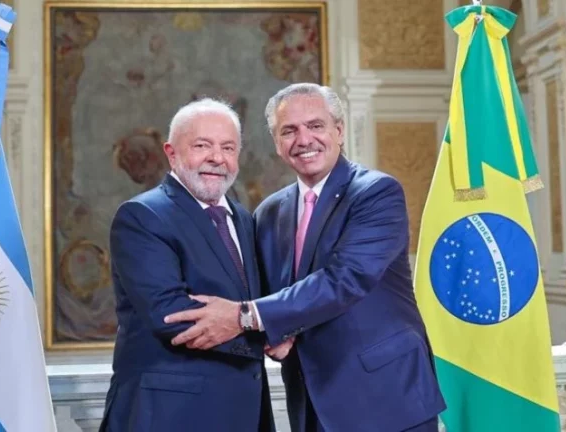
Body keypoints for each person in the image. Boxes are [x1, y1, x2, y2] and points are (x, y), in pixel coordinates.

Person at [165, 84, 446, 431]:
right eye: (289, 131)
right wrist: (271, 335)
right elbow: (267, 292)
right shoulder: (269, 213)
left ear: (338, 131)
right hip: (309, 399)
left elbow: (346, 279)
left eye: (315, 126)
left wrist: (243, 316)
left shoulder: (376, 193)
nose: (304, 139)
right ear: (277, 143)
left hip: (386, 397)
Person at [100, 98, 274, 432]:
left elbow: (253, 298)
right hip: (169, 415)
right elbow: (172, 317)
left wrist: (264, 319)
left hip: (244, 413)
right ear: (171, 153)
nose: (217, 158)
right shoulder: (143, 216)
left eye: (228, 147)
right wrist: (265, 327)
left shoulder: (242, 218)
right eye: (202, 145)